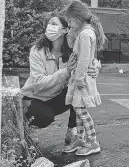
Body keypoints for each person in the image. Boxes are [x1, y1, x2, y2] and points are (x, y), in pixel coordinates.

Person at [21, 16, 100, 146]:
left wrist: (96, 68)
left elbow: (89, 57)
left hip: (56, 96)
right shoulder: (37, 50)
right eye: (48, 24)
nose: (49, 27)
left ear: (64, 30)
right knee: (45, 116)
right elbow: (38, 82)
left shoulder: (72, 48)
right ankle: (30, 126)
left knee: (78, 92)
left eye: (53, 24)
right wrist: (66, 71)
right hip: (35, 97)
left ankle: (72, 130)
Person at [63, 0, 107, 156]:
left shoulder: (85, 34)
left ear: (76, 18)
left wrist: (80, 78)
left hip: (82, 79)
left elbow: (84, 59)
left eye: (69, 21)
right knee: (78, 108)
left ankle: (93, 141)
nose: (69, 25)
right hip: (81, 77)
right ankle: (81, 138)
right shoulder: (85, 33)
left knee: (81, 110)